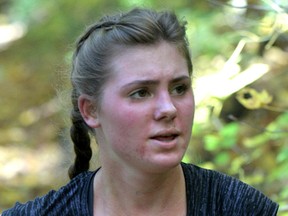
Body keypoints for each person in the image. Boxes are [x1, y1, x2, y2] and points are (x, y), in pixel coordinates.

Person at [1, 7, 279, 216]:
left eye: (179, 88)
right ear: (91, 110)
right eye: (141, 93)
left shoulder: (240, 208)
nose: (168, 108)